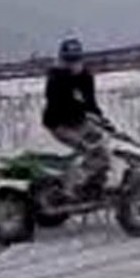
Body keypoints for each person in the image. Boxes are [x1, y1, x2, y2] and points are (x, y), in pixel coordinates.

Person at [41, 37, 113, 199]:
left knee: (104, 147)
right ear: (62, 59)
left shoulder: (85, 76)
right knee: (90, 149)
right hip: (59, 123)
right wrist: (79, 106)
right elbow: (57, 102)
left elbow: (90, 103)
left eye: (75, 59)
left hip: (79, 120)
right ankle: (70, 189)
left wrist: (102, 121)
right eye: (68, 60)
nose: (72, 63)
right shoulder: (56, 78)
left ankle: (95, 182)